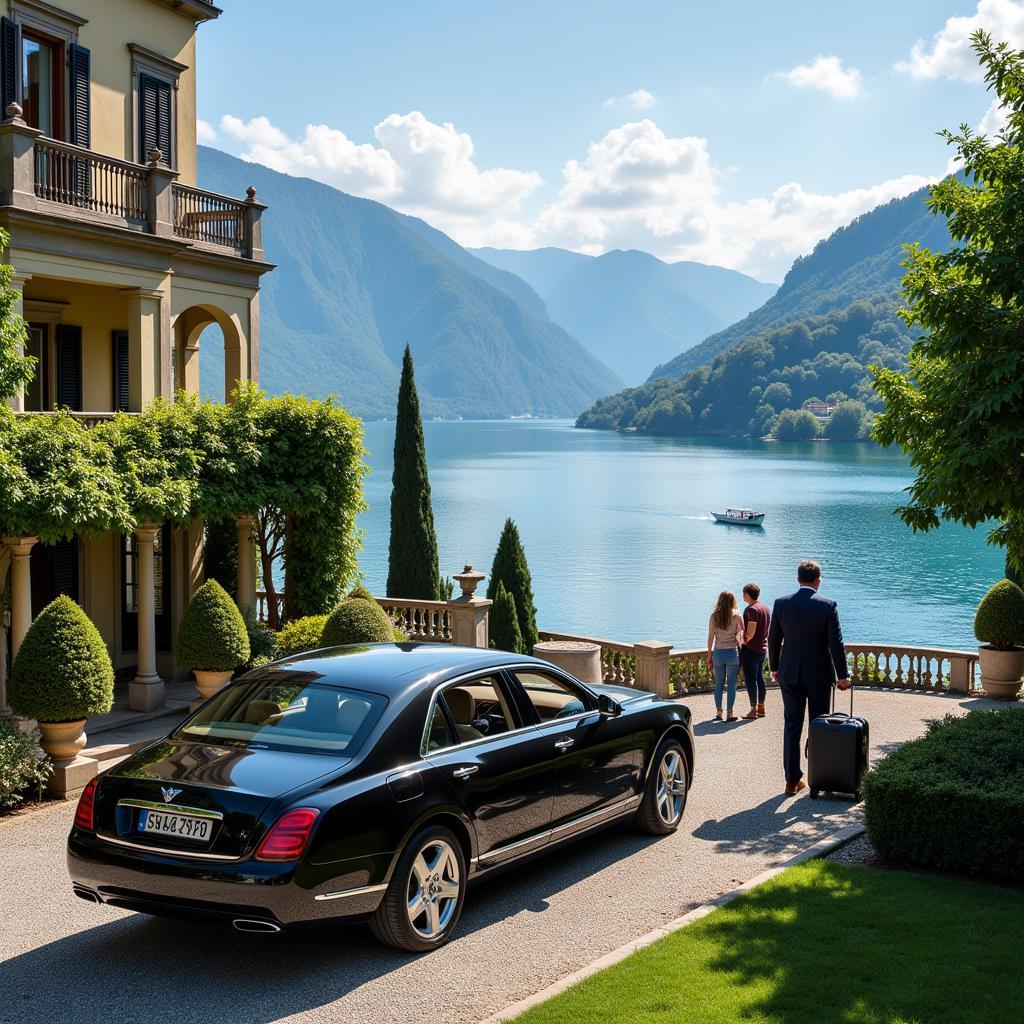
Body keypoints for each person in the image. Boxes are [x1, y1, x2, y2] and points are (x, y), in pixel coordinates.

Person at [767, 560, 850, 795]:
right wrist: (842, 676)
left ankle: (791, 781)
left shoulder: (781, 604)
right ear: (818, 581)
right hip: (819, 676)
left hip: (790, 674)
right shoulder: (827, 605)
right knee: (819, 726)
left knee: (792, 726)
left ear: (797, 579)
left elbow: (773, 640)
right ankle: (819, 779)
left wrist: (774, 668)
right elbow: (836, 644)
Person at [707, 590, 744, 722]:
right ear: (733, 601)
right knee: (731, 684)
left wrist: (709, 655)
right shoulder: (737, 617)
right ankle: (729, 713)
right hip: (732, 654)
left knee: (718, 684)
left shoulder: (714, 616)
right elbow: (741, 639)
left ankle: (718, 712)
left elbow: (710, 637)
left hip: (718, 653)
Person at [739, 583, 771, 720]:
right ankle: (761, 708)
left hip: (751, 649)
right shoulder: (765, 608)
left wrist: (743, 641)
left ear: (747, 594)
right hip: (762, 648)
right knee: (759, 677)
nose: (742, 596)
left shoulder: (751, 610)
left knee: (751, 679)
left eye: (743, 593)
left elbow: (750, 632)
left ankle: (753, 709)